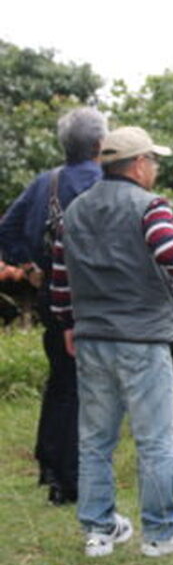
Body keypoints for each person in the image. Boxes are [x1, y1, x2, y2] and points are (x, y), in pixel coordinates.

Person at [51, 126, 173, 557]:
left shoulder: (74, 211)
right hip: (141, 338)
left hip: (91, 337)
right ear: (139, 165)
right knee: (155, 438)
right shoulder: (150, 206)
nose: (154, 168)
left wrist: (67, 323)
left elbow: (61, 276)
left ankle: (99, 529)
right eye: (153, 160)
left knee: (95, 439)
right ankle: (163, 531)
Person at [0, 106, 107, 505]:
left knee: (61, 380)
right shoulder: (103, 184)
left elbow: (6, 231)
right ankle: (70, 480)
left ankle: (50, 465)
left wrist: (30, 267)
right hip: (90, 296)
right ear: (100, 144)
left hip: (49, 293)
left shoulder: (46, 182)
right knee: (83, 387)